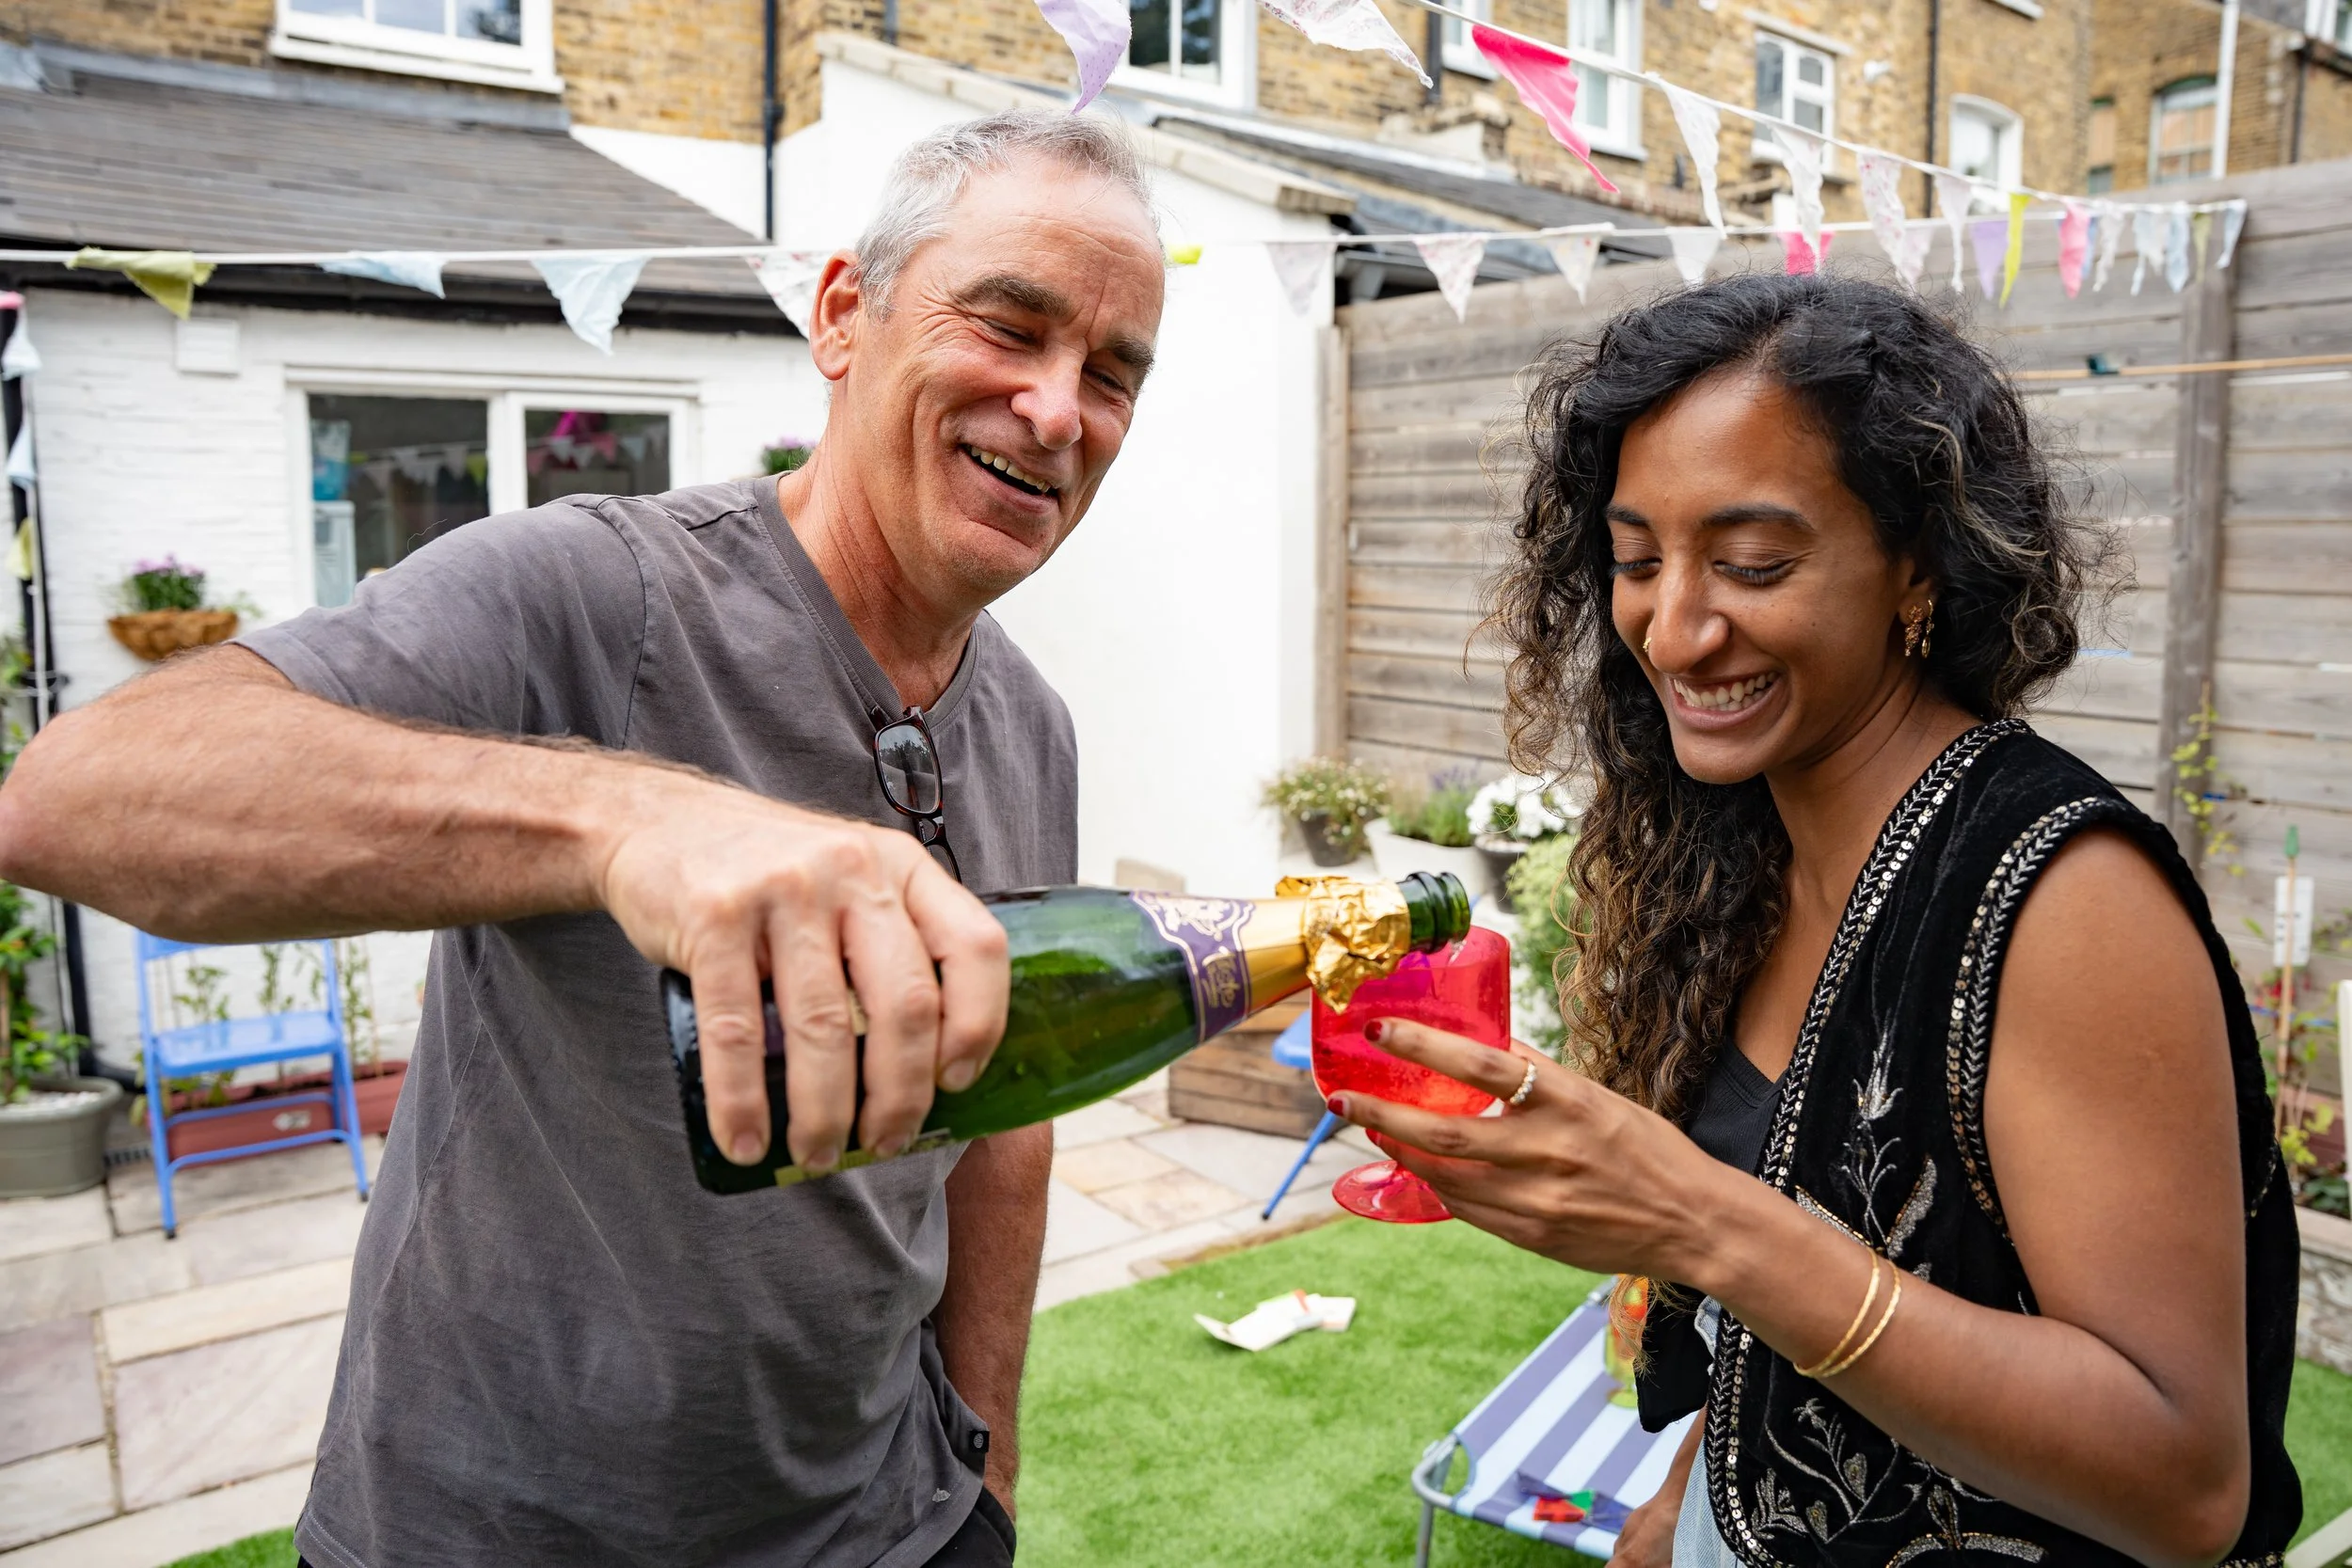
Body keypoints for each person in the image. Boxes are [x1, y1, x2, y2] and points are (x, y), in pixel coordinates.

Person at [0, 110, 1166, 1568]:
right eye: (1011, 326)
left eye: (1113, 374)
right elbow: (75, 793)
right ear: (846, 316)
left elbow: (1001, 1121)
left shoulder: (1033, 724)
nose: (1060, 409)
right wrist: (625, 813)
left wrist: (981, 1471)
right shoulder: (597, 592)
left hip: (885, 1528)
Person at [1323, 275, 2302, 1566]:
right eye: (1635, 560)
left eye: (1752, 563)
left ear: (1916, 566)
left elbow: (2186, 1486)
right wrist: (1686, 1494)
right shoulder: (1744, 857)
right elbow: (1798, 1298)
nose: (1672, 629)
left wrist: (1694, 1217)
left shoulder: (2061, 898)